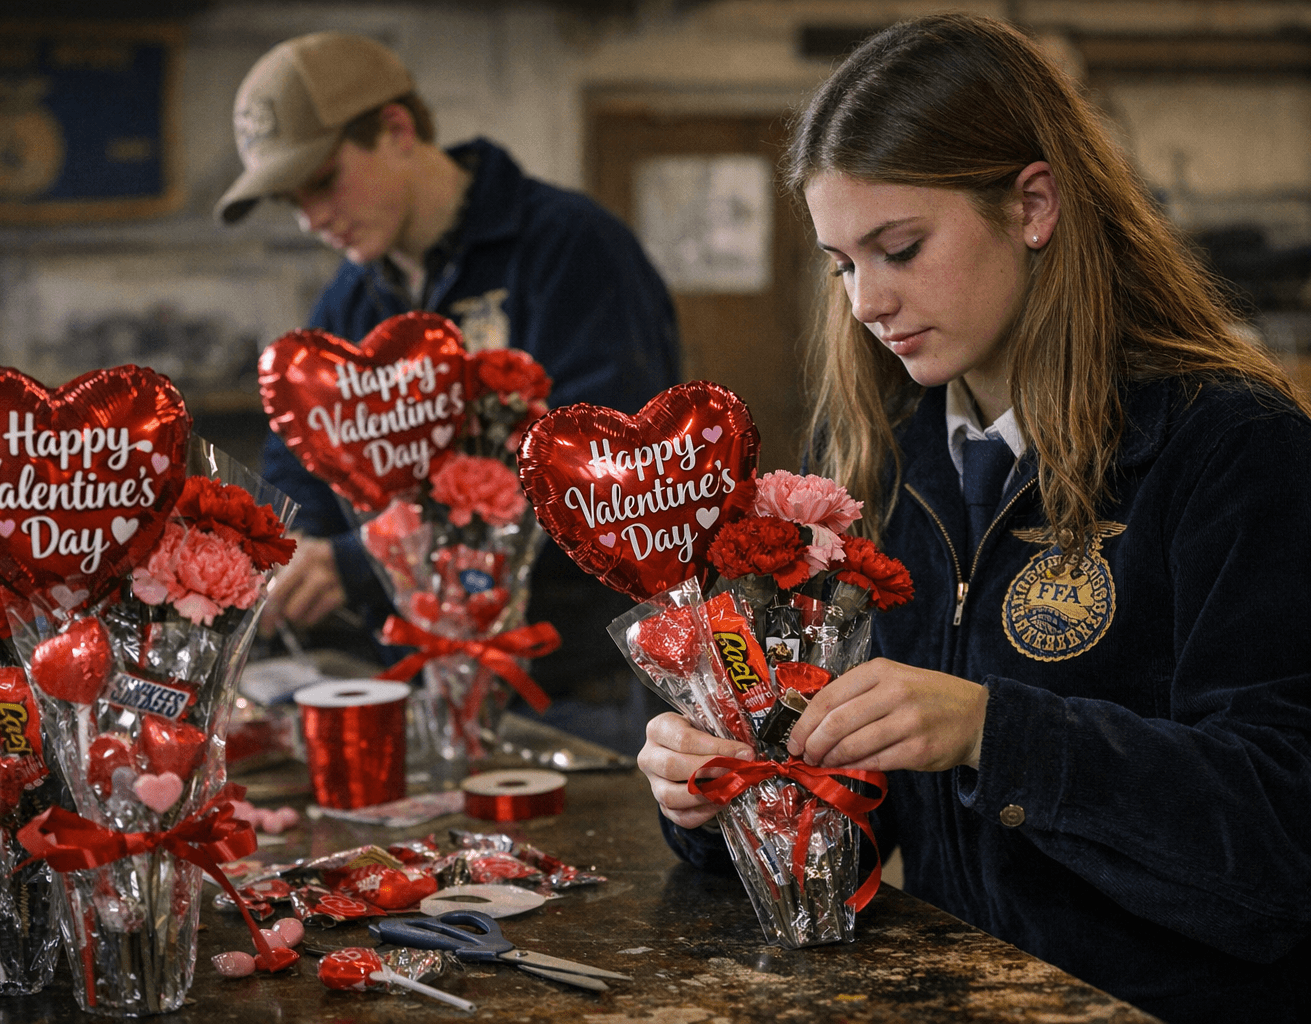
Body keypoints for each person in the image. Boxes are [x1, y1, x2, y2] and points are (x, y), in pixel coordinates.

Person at [638, 14, 1311, 1023]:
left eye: (899, 247)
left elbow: (1279, 845)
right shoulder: (887, 465)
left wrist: (997, 733)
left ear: (1033, 205)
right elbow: (853, 823)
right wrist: (727, 785)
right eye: (841, 262)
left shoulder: (1232, 449)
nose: (867, 300)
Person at [216, 32, 680, 751]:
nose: (310, 218)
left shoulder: (570, 248)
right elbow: (298, 461)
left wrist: (359, 564)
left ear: (396, 130)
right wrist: (288, 552)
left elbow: (606, 480)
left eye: (323, 179)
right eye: (290, 198)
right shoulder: (352, 297)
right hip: (412, 688)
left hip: (565, 693)